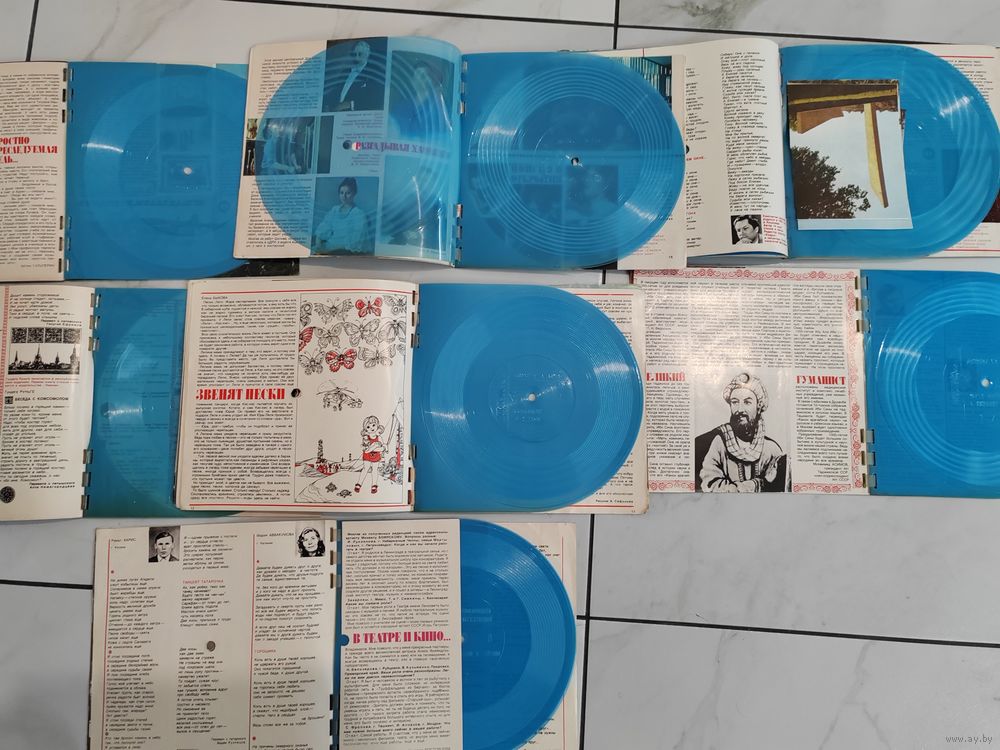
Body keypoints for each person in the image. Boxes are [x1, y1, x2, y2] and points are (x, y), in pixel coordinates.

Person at [694, 372, 790, 492]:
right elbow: (711, 484)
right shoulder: (719, 443)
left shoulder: (771, 449)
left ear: (758, 406)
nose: (740, 409)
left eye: (747, 402)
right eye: (735, 402)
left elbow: (779, 487)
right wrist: (752, 486)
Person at [314, 177, 371, 252]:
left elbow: (355, 242)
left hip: (345, 251)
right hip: (329, 247)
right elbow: (323, 228)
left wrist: (331, 251)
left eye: (348, 193)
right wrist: (318, 246)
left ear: (354, 194)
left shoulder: (358, 214)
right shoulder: (334, 210)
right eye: (341, 193)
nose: (344, 196)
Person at [329, 40, 384, 112]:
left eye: (360, 54)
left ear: (367, 54)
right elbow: (335, 91)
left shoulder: (374, 73)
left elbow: (376, 99)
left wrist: (350, 104)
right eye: (354, 54)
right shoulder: (345, 72)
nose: (356, 58)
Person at [355, 415, 385, 495]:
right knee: (365, 469)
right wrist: (373, 447)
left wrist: (373, 448)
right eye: (368, 427)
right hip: (367, 456)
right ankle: (359, 484)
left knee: (375, 469)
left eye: (373, 425)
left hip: (376, 456)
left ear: (377, 425)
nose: (371, 428)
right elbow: (364, 448)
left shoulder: (379, 438)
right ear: (366, 429)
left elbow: (382, 448)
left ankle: (374, 485)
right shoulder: (366, 438)